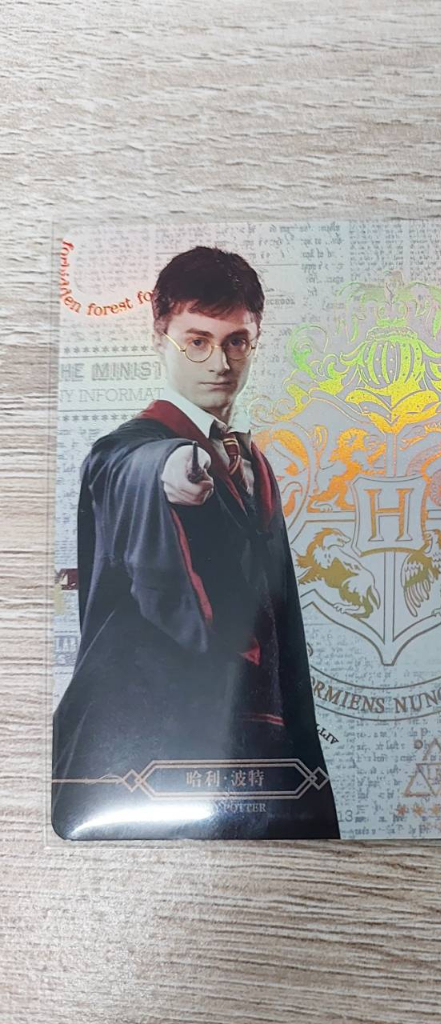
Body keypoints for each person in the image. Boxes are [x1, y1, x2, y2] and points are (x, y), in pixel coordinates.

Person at [52, 246, 339, 840]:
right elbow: (131, 467)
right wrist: (170, 469)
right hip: (153, 738)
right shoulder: (130, 450)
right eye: (197, 341)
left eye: (236, 342)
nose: (219, 363)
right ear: (161, 338)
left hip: (254, 737)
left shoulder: (254, 463)